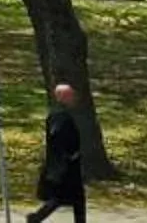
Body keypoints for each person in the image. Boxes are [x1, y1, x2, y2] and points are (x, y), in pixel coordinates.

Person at [26, 81, 85, 223]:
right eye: (70, 95)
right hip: (64, 164)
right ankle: (36, 218)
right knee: (60, 197)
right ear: (62, 97)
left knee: (76, 198)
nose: (73, 98)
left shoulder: (61, 113)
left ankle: (37, 217)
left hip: (67, 162)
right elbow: (57, 135)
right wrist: (69, 153)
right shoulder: (60, 115)